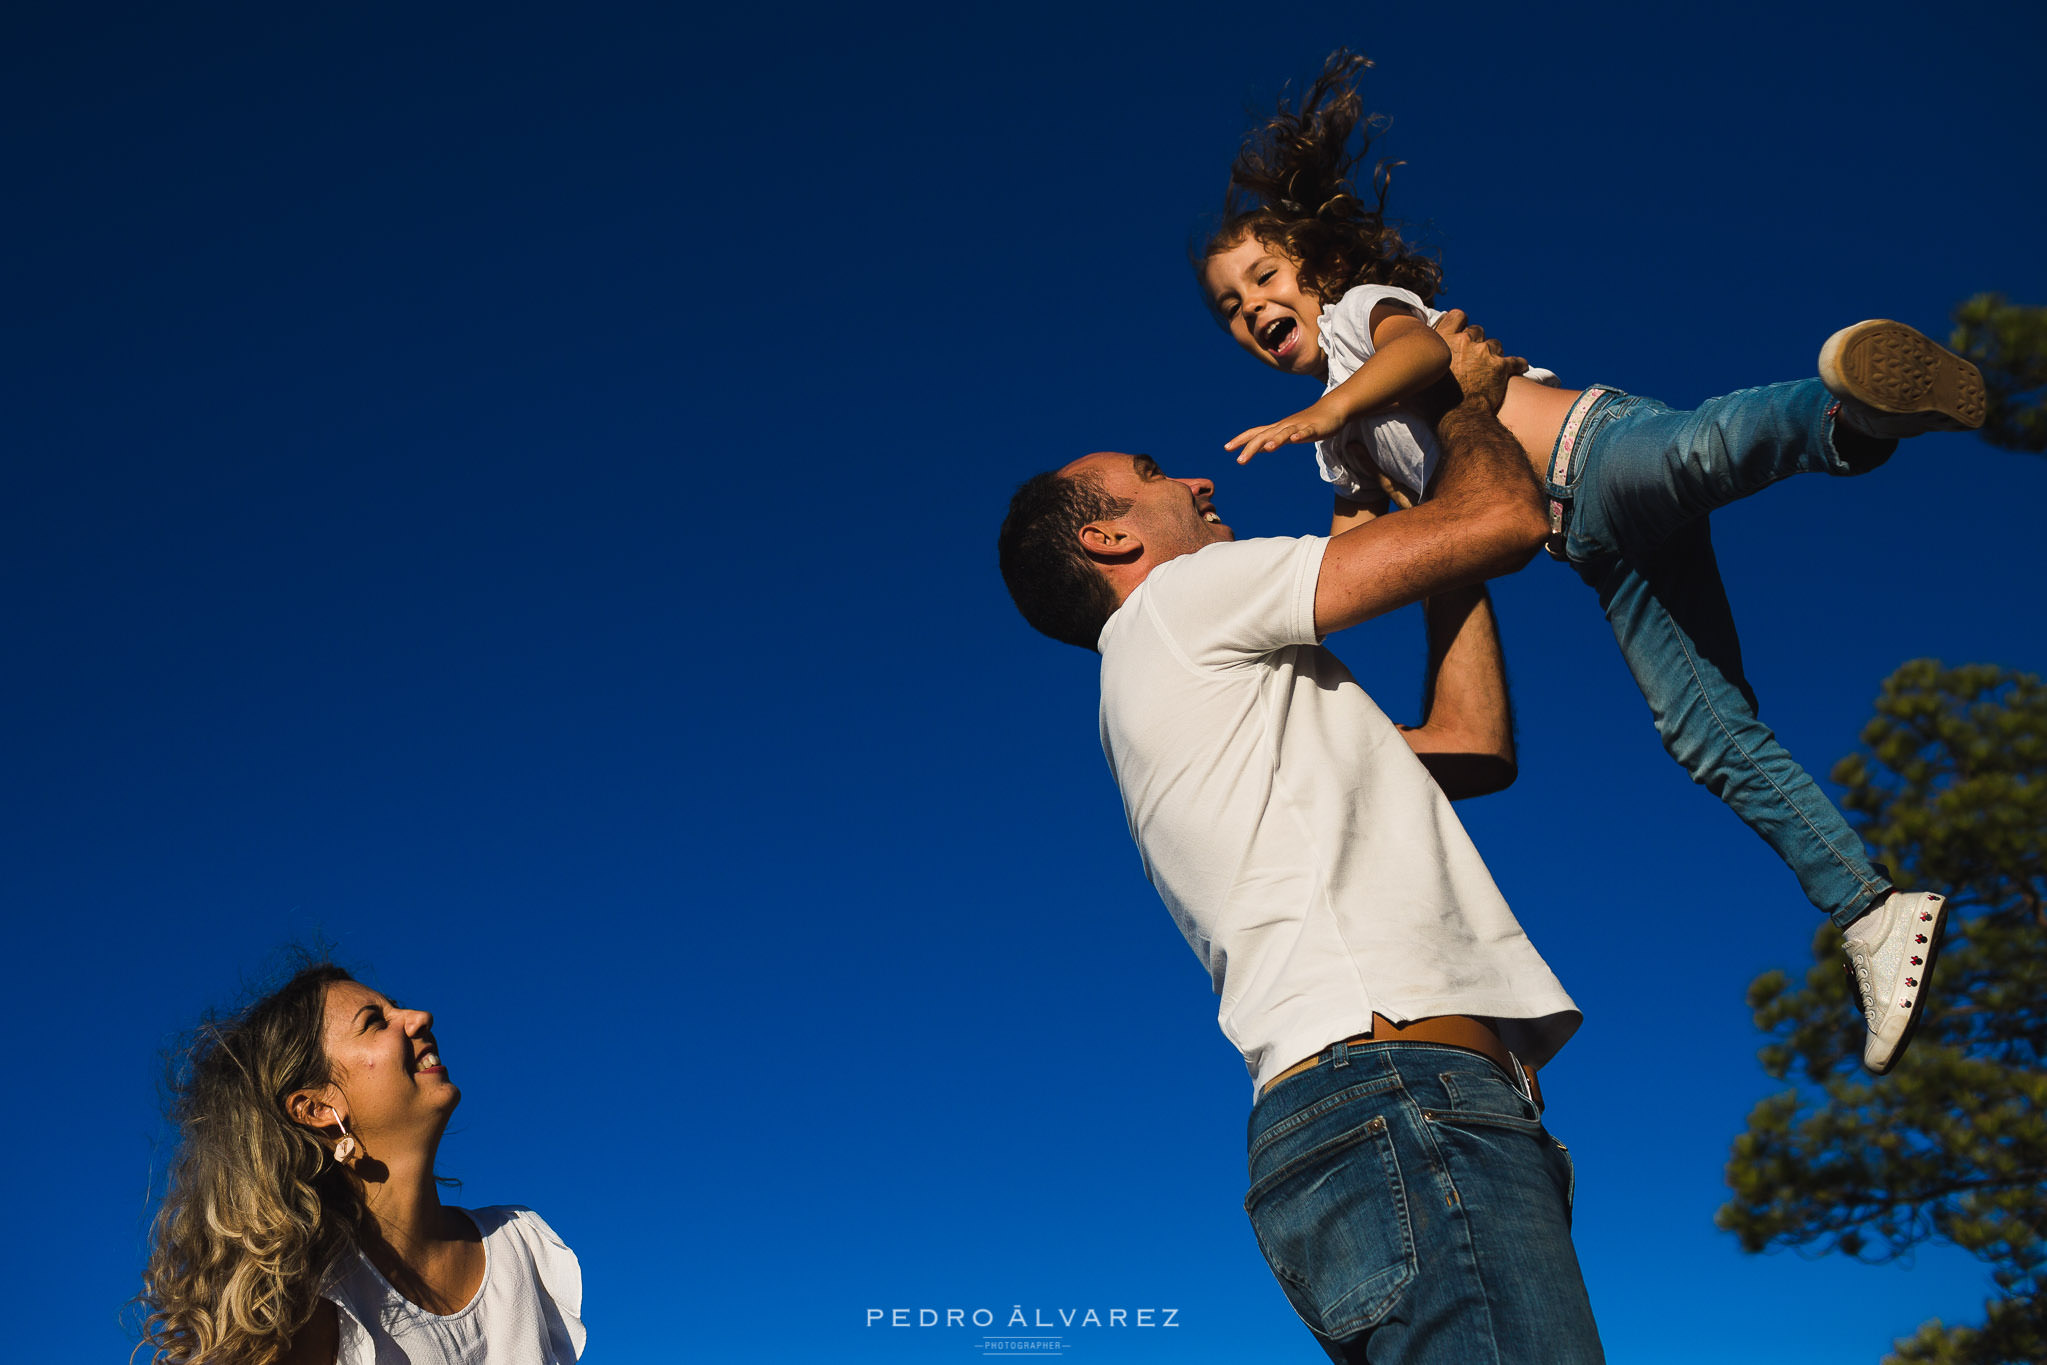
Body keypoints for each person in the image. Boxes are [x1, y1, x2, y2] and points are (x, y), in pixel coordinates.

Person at [1198, 50, 1964, 1073]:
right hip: (1595, 547)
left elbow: (1419, 355)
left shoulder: (1355, 320)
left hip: (1587, 451)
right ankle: (1869, 908)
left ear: (1314, 270)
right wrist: (1275, 577)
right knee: (1703, 732)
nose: (1251, 308)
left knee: (1699, 451)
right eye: (1231, 308)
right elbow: (1354, 568)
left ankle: (1845, 413)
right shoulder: (1339, 452)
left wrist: (1332, 407)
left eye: (1262, 278)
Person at [999, 315, 1603, 1363]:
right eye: (1153, 476)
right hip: (1405, 1104)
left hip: (1371, 1123)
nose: (1196, 482)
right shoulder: (1182, 602)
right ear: (1108, 538)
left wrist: (1420, 520)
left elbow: (1471, 743)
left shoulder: (1183, 691)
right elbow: (1506, 516)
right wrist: (1454, 399)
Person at [137, 960, 584, 1365]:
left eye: (397, 1008)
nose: (419, 1018)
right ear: (316, 1109)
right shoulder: (309, 1312)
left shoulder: (522, 1244)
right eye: (375, 1022)